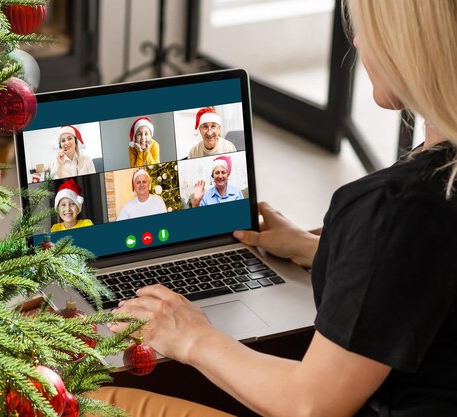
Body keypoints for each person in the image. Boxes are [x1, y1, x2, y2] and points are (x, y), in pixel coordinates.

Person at [107, 1, 457, 416]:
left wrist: (190, 336)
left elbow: (309, 404)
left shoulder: (395, 206)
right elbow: (428, 263)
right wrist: (317, 250)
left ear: (417, 46)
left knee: (88, 399)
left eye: (373, 29)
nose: (359, 41)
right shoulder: (432, 185)